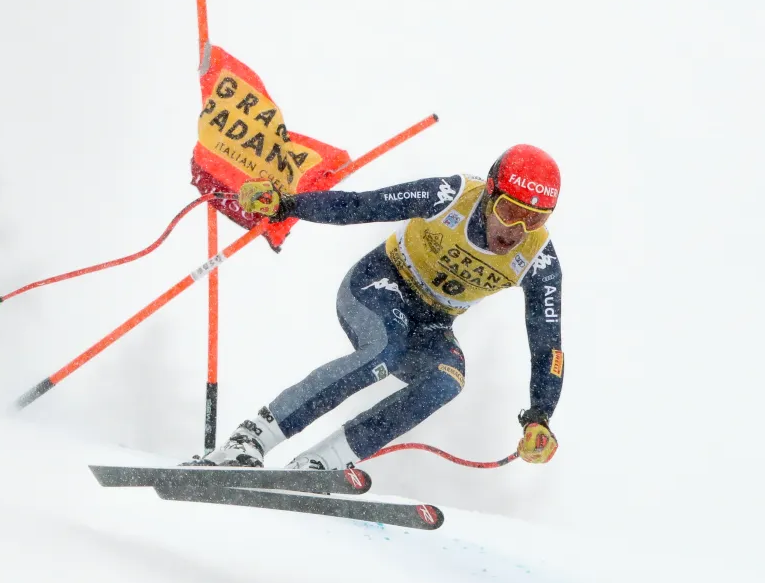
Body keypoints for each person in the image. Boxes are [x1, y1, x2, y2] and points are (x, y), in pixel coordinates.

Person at [188, 144, 564, 471]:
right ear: (489, 193)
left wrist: (540, 416)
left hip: (431, 323)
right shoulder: (451, 196)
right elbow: (360, 205)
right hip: (377, 284)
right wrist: (286, 205)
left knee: (446, 379)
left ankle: (324, 461)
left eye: (535, 219)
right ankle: (251, 439)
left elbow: (548, 346)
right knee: (386, 348)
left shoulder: (539, 261)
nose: (517, 230)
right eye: (509, 211)